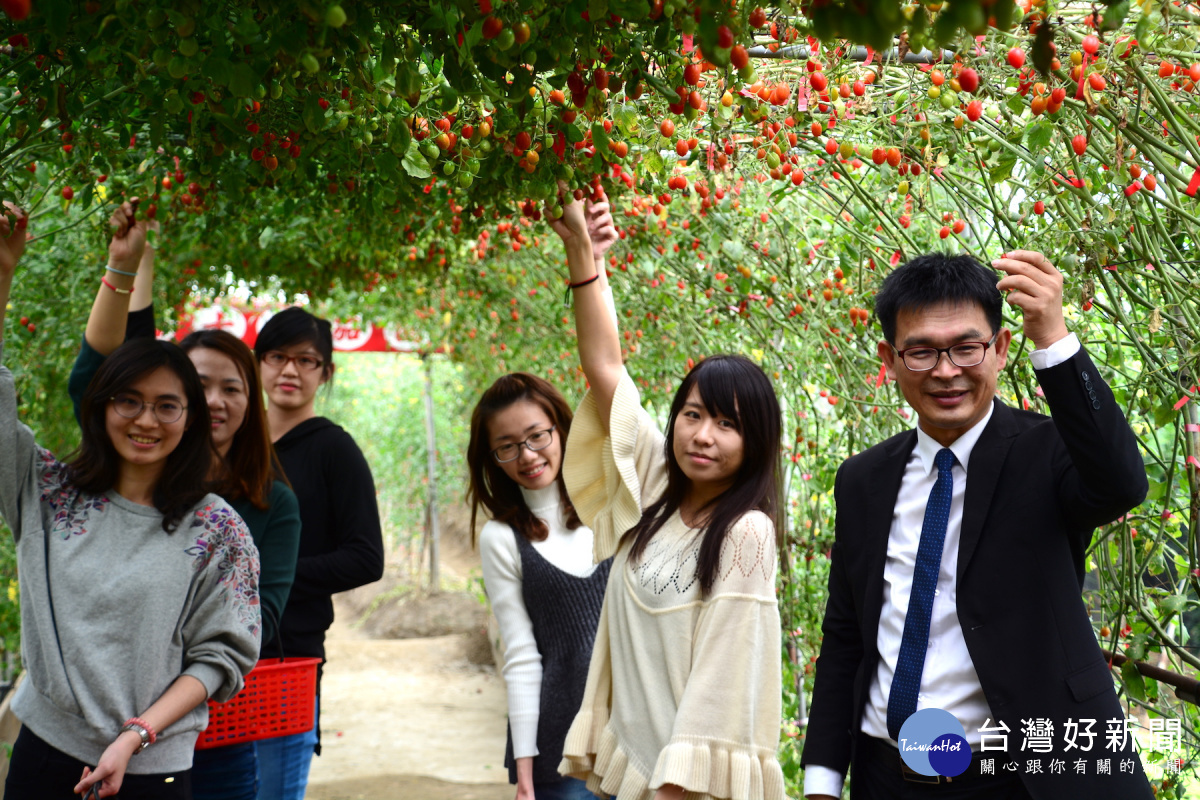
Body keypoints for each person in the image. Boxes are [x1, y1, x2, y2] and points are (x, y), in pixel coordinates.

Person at [801, 251, 1153, 799]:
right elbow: (846, 637)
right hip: (885, 774)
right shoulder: (862, 480)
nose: (946, 371)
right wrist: (822, 778)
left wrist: (1053, 337)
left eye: (967, 347)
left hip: (1015, 773)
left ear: (1001, 349)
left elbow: (1121, 484)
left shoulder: (1049, 453)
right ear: (889, 360)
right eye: (920, 352)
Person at [0, 203, 261, 799]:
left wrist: (136, 736)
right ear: (102, 407)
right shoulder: (48, 493)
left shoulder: (217, 530)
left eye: (167, 405)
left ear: (190, 420)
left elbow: (221, 656)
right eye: (129, 401)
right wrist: (2, 272)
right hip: (44, 753)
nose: (147, 420)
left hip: (152, 770)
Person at [548, 189, 788, 800]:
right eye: (693, 414)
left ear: (756, 442)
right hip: (635, 774)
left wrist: (672, 792)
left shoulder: (744, 533)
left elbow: (723, 688)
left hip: (682, 790)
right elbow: (606, 367)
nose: (703, 436)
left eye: (728, 425)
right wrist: (583, 252)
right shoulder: (655, 491)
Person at [65, 202, 303, 800]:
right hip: (104, 721)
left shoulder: (267, 505)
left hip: (214, 736)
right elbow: (96, 374)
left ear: (252, 404)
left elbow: (256, 621)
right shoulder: (135, 479)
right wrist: (129, 265)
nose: (215, 401)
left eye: (232, 387)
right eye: (196, 387)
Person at [470, 193, 621, 800]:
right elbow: (522, 655)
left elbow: (612, 376)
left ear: (561, 429)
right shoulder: (501, 537)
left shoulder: (611, 498)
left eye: (537, 436)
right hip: (559, 745)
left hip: (637, 728)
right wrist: (526, 768)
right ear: (493, 460)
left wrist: (593, 261)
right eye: (507, 447)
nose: (528, 455)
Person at [252, 305, 385, 800]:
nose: (290, 370)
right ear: (259, 363)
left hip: (288, 653)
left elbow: (366, 557)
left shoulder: (334, 450)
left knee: (273, 789)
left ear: (326, 373)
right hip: (209, 651)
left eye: (307, 361)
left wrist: (268, 577)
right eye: (278, 356)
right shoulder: (229, 444)